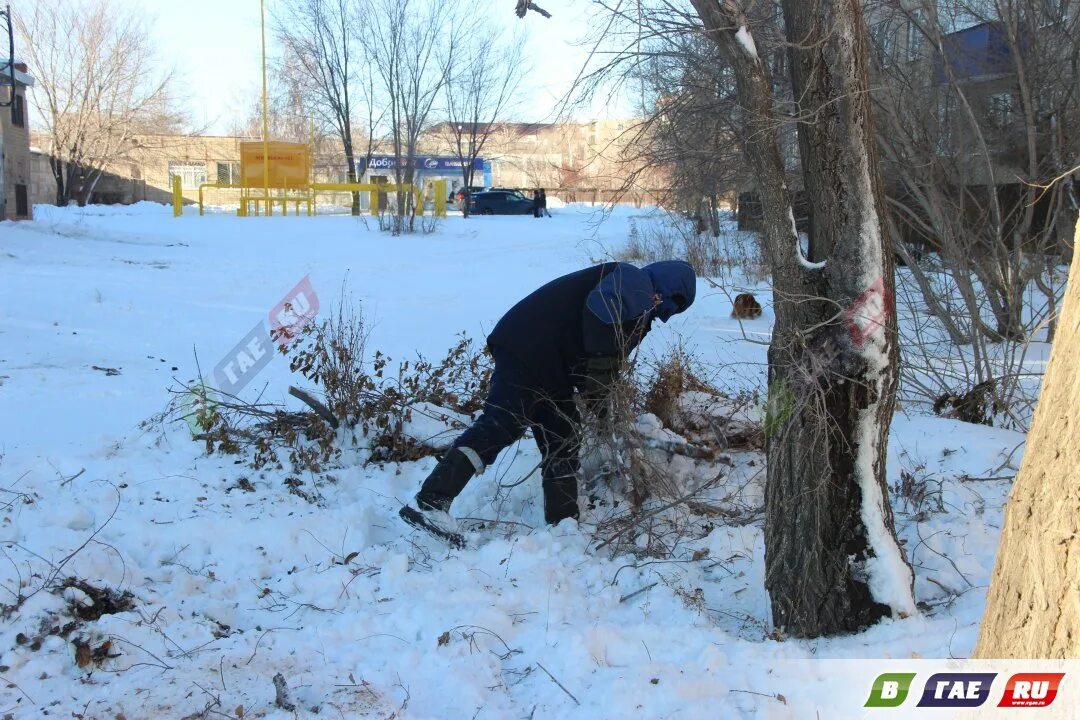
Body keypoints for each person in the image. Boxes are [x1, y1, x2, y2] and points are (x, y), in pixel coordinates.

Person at [399, 261, 697, 545]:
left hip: (554, 368)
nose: (661, 309)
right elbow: (599, 319)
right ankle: (430, 501)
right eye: (669, 302)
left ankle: (563, 524)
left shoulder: (637, 301)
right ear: (670, 287)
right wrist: (599, 382)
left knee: (563, 438)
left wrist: (603, 405)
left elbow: (602, 355)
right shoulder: (634, 280)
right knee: (502, 423)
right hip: (528, 350)